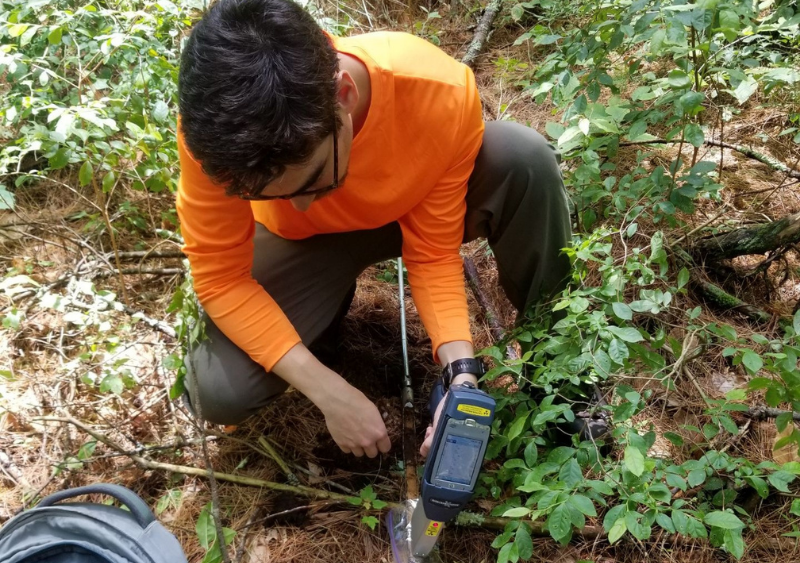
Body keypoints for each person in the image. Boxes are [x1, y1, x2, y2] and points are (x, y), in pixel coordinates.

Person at [176, 0, 582, 460]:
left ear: (343, 95)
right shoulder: (213, 136)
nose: (303, 203)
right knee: (215, 387)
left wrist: (461, 374)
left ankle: (562, 367)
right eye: (269, 193)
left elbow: (432, 253)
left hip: (411, 208)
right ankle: (324, 316)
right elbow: (221, 278)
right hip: (304, 244)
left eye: (312, 179)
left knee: (520, 155)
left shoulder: (435, 91)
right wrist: (327, 390)